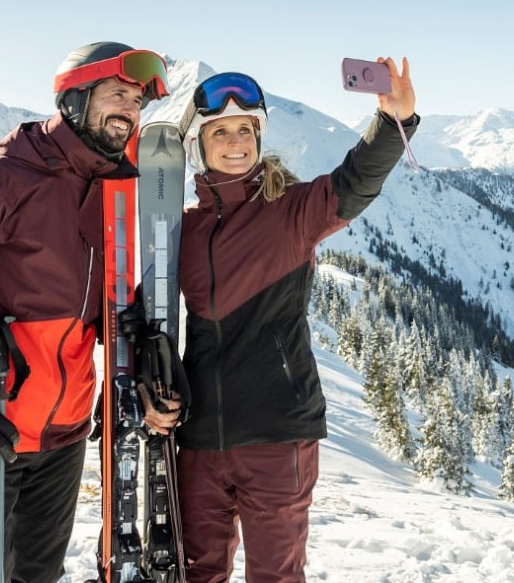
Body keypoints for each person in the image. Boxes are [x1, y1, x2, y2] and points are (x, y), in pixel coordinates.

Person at [0, 41, 170, 583]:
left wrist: (128, 327)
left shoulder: (112, 188)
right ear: (73, 101)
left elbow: (94, 298)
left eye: (137, 102)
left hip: (62, 440)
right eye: (117, 95)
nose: (130, 111)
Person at [159, 58, 418, 583]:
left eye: (245, 130)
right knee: (196, 572)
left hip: (278, 435)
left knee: (275, 574)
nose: (235, 142)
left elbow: (355, 180)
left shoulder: (290, 211)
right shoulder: (178, 229)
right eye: (220, 132)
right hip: (201, 438)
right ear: (198, 148)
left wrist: (394, 123)